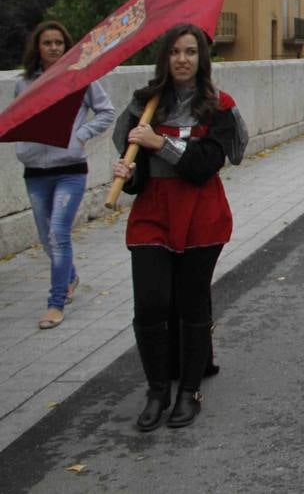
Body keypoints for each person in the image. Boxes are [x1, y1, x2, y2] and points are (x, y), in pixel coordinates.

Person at [111, 23, 248, 431]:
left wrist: (159, 144)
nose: (183, 59)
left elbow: (204, 166)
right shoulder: (145, 105)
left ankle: (188, 393)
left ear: (201, 59)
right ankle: (157, 391)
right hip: (153, 216)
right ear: (165, 58)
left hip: (201, 217)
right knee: (150, 305)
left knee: (191, 306)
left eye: (190, 52)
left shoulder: (219, 106)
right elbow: (137, 177)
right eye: (175, 52)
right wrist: (127, 171)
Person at [13, 20, 116, 330]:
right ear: (38, 47)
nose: (54, 48)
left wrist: (80, 135)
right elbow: (19, 118)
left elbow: (107, 111)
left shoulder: (80, 78)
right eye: (48, 43)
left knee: (59, 232)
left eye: (59, 43)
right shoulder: (24, 83)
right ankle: (69, 276)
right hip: (35, 170)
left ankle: (55, 302)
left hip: (69, 169)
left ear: (67, 46)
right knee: (47, 238)